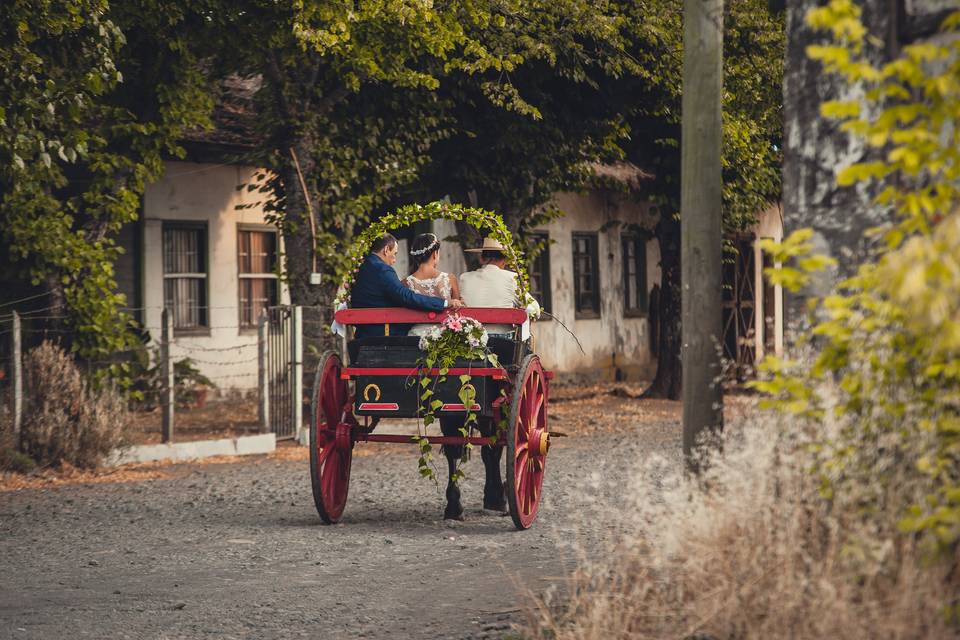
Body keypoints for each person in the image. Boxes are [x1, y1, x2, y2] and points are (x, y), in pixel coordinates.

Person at [350, 233, 462, 339]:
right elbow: (404, 296)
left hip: (365, 329)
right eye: (394, 254)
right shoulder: (382, 269)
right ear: (386, 250)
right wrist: (445, 303)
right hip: (383, 331)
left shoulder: (364, 267)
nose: (394, 261)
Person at [459, 237, 540, 337]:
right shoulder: (512, 278)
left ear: (481, 259)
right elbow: (536, 310)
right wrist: (522, 308)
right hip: (503, 341)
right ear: (504, 261)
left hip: (472, 340)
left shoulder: (464, 278)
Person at [403, 233, 462, 336]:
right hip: (445, 337)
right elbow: (457, 311)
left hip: (416, 336)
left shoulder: (405, 283)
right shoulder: (449, 279)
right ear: (435, 254)